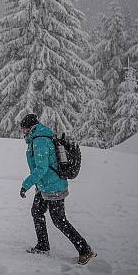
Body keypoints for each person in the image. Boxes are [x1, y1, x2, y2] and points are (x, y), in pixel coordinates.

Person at [19, 113, 96, 265]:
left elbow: (41, 168)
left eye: (23, 129)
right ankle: (43, 245)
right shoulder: (38, 137)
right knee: (37, 211)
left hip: (53, 187)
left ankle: (85, 250)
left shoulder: (40, 140)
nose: (22, 132)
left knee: (59, 220)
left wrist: (25, 185)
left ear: (29, 128)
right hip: (44, 186)